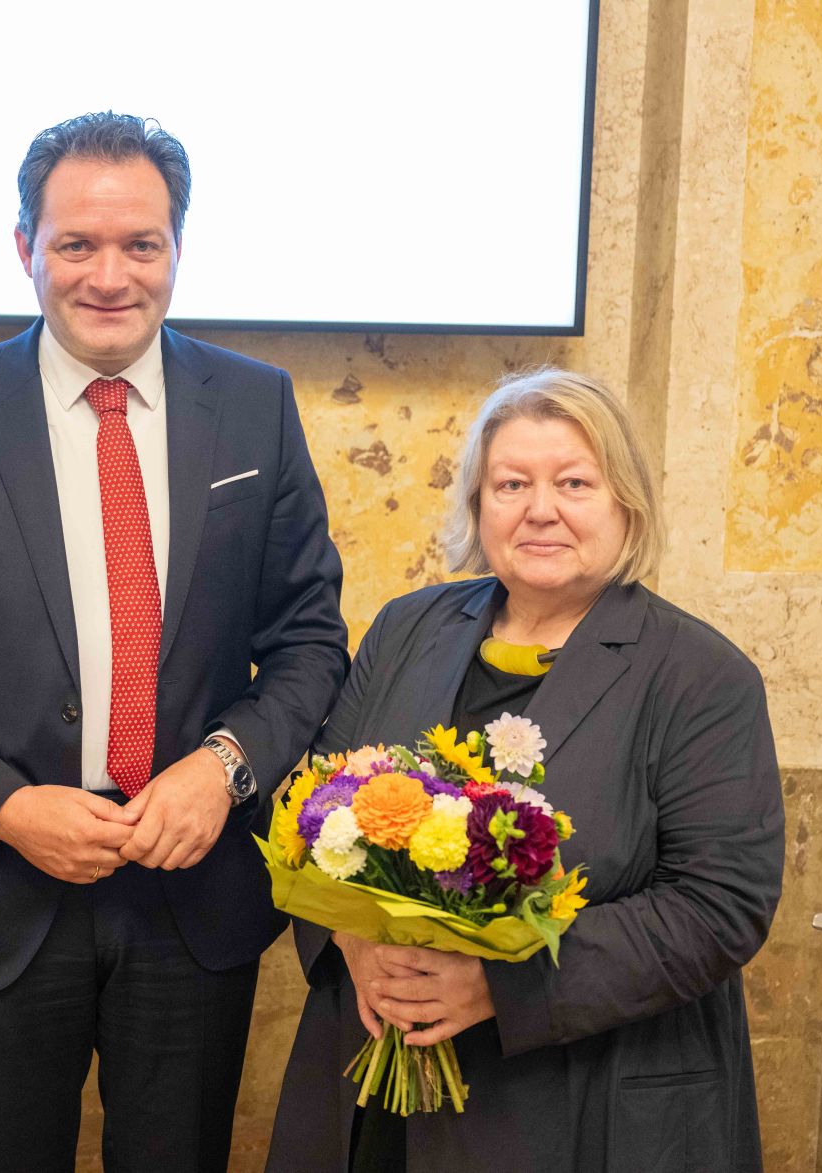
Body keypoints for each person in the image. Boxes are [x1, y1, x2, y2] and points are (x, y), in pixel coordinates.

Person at [0, 112, 349, 1171]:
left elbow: (307, 642)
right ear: (25, 250)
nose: (109, 275)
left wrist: (222, 771)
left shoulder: (253, 407)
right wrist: (4, 803)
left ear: (177, 248)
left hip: (195, 896)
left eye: (140, 245)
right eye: (75, 244)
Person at [267, 368, 784, 1172]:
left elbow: (720, 906)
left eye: (574, 481)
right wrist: (349, 938)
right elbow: (315, 811)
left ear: (627, 505)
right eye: (511, 483)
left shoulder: (700, 675)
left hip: (581, 1104)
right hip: (374, 1088)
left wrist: (496, 987)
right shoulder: (407, 629)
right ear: (478, 504)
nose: (540, 508)